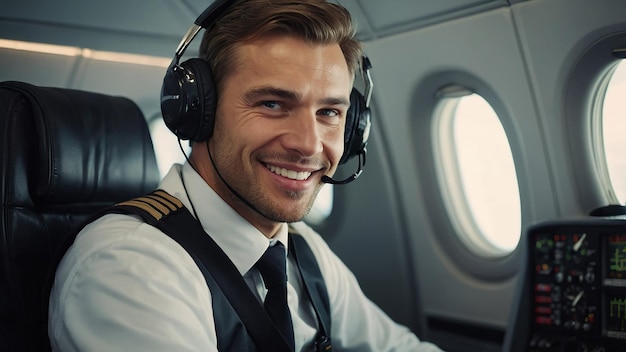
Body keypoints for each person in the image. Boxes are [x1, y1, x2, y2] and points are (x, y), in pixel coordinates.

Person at [48, 0, 443, 351]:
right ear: (199, 110)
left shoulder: (302, 252)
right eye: (272, 103)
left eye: (329, 113)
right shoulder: (130, 269)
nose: (309, 145)